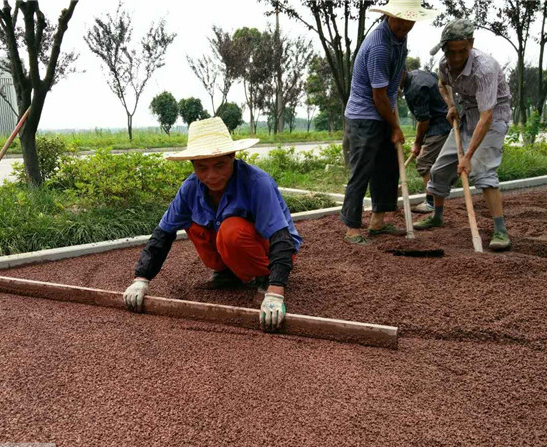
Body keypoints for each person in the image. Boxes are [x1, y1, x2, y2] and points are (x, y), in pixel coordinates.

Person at [122, 117, 302, 331]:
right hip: (232, 248)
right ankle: (228, 274)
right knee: (193, 225)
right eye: (202, 167)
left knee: (231, 230)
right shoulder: (190, 189)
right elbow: (163, 233)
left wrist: (276, 290)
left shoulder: (257, 183)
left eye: (219, 165)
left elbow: (281, 239)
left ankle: (263, 277)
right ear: (193, 165)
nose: (211, 176)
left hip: (271, 249)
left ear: (232, 157)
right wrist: (141, 278)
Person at [339, 0, 438, 245]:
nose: (405, 25)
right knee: (362, 170)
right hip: (364, 116)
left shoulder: (399, 37)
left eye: (410, 20)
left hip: (383, 111)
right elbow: (378, 95)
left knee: (387, 168)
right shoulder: (380, 46)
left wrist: (392, 120)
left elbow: (392, 84)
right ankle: (352, 228)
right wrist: (395, 127)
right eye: (401, 19)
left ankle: (378, 222)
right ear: (389, 16)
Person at [415, 19, 512, 251]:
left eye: (462, 51)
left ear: (471, 44)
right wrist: (451, 105)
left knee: (483, 171)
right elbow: (442, 84)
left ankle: (500, 230)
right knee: (438, 170)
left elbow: (486, 116)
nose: (456, 58)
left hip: (492, 119)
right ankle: (437, 215)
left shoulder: (484, 68)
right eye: (451, 52)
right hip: (466, 116)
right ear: (444, 48)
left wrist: (467, 156)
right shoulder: (444, 64)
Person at [401, 69, 452, 213]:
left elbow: (424, 120)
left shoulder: (415, 88)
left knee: (424, 161)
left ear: (403, 72)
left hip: (440, 125)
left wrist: (417, 143)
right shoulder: (417, 74)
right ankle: (437, 195)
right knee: (436, 164)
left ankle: (431, 203)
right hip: (442, 121)